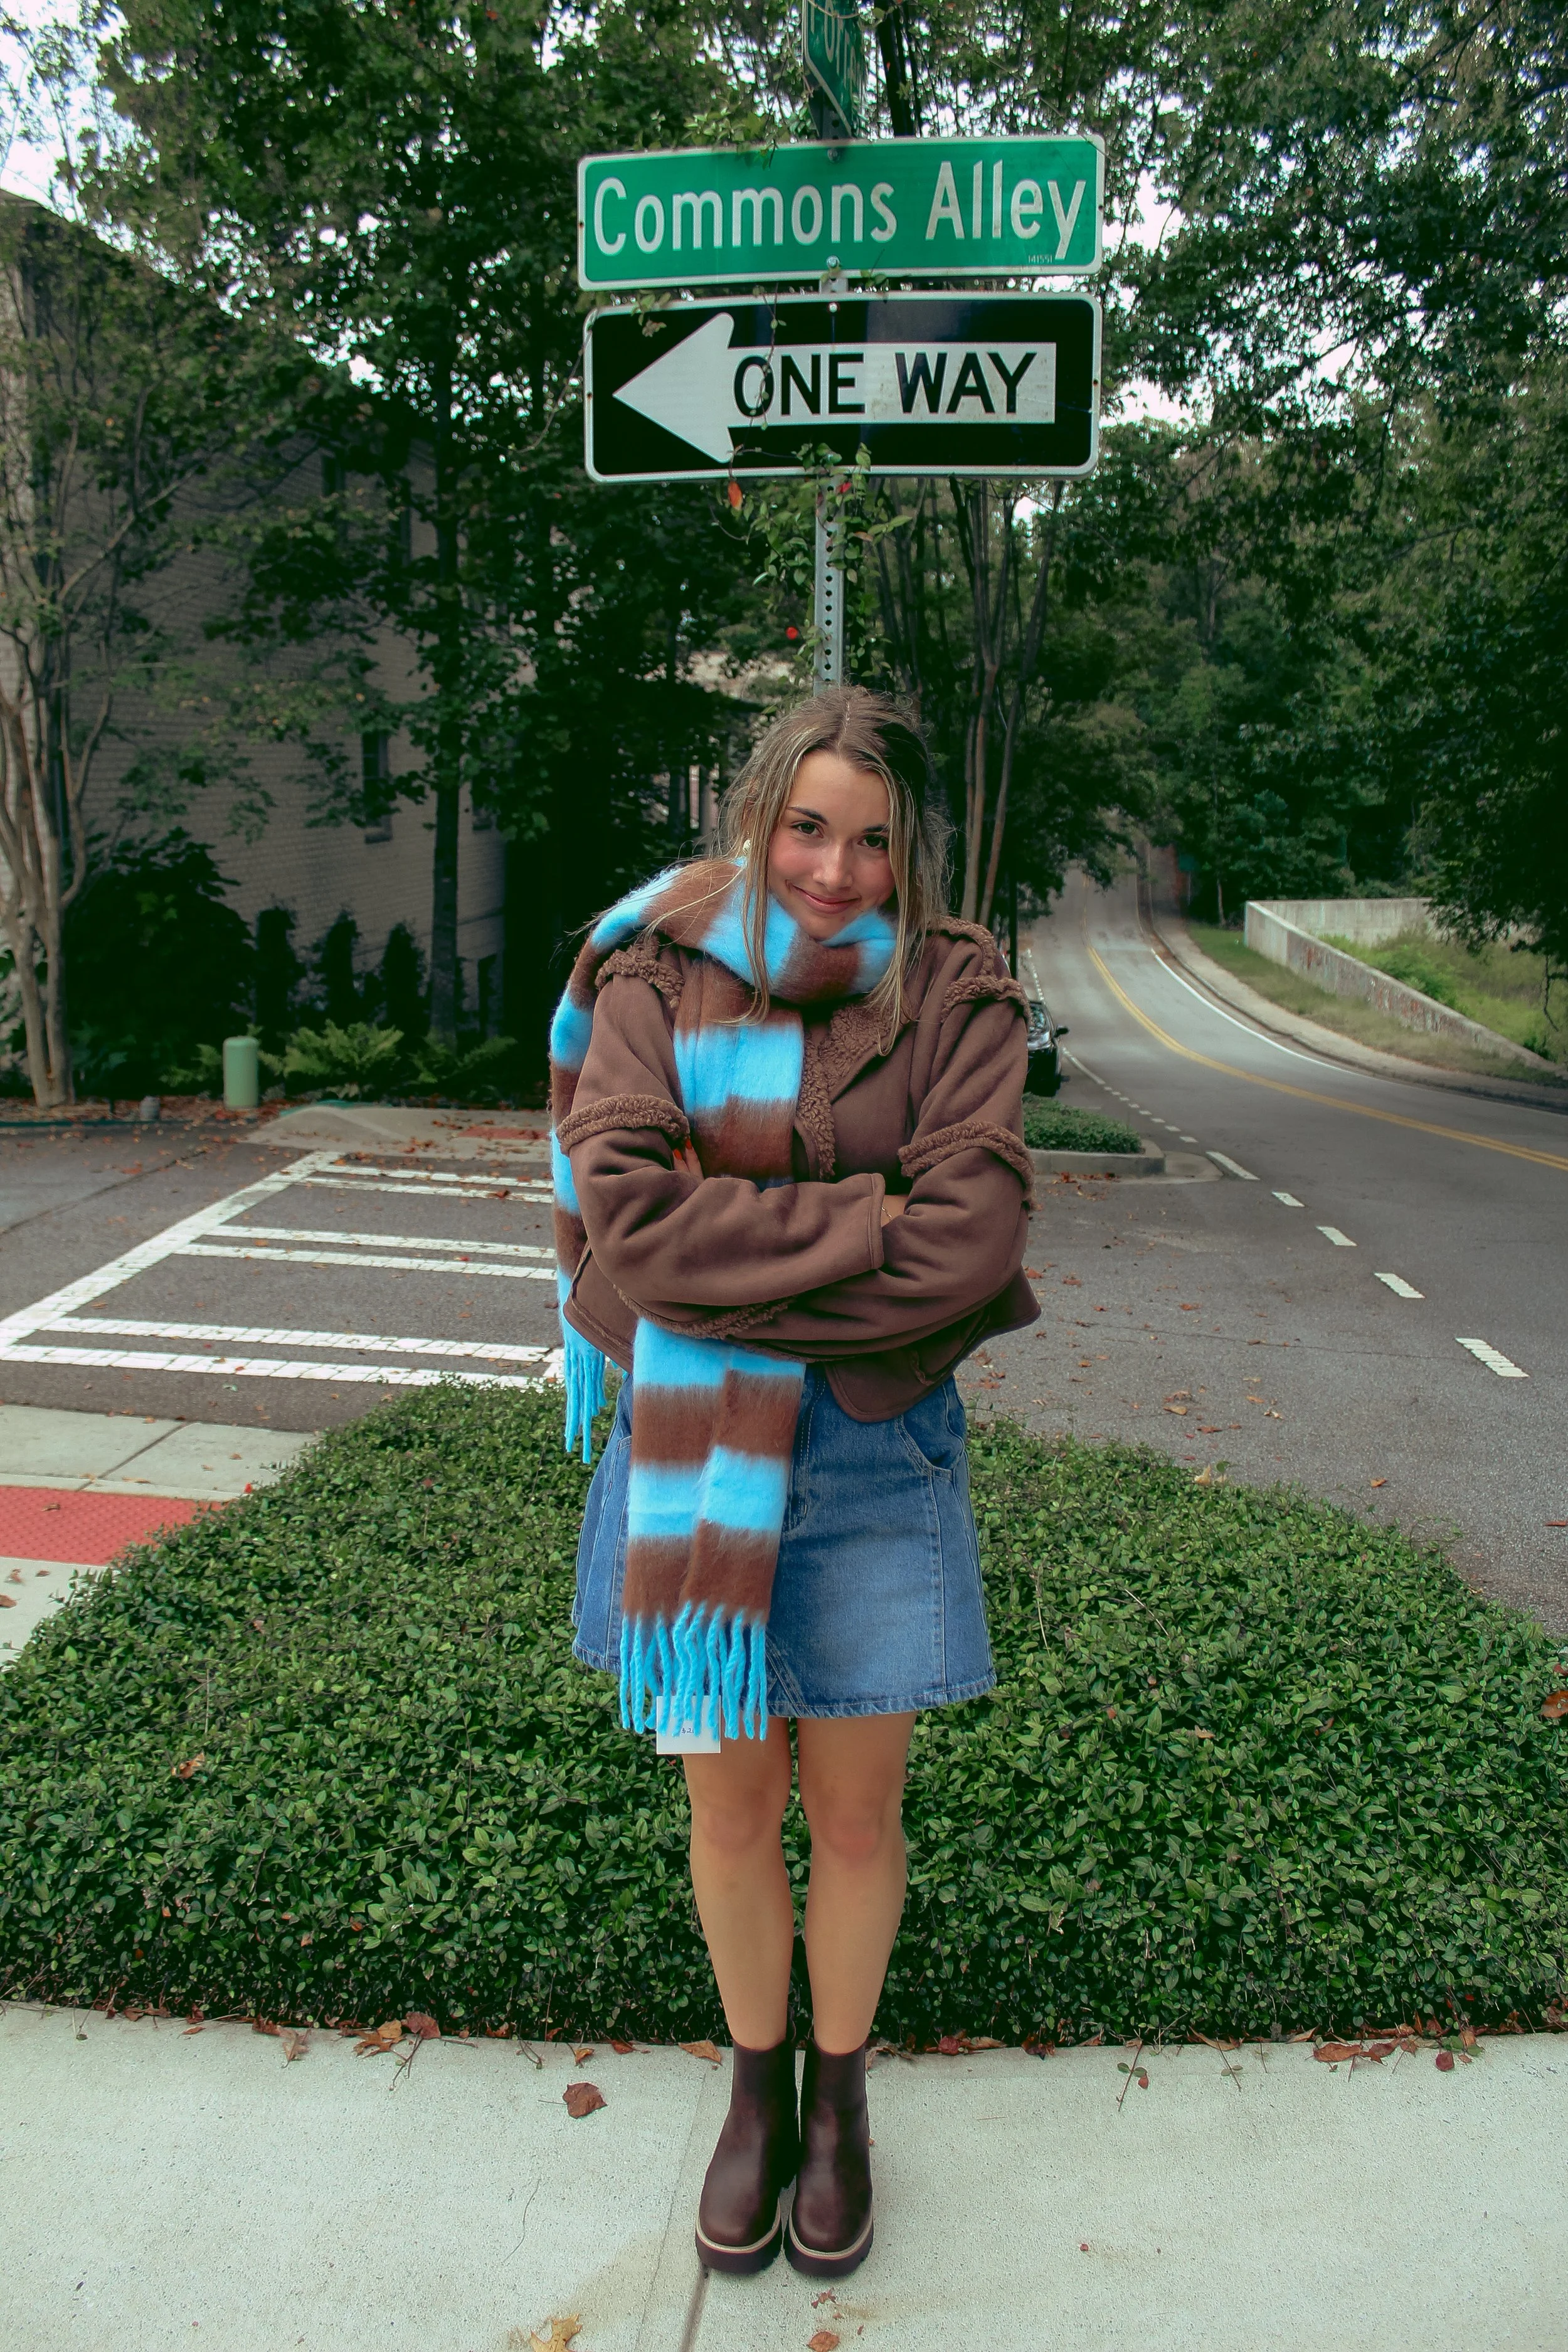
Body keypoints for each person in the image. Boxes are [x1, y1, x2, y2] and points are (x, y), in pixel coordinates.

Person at [549, 685, 1036, 2282]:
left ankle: (840, 2103)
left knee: (857, 1812)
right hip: (695, 1460)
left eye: (873, 839)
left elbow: (971, 1245)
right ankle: (752, 2092)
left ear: (912, 850)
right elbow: (627, 1221)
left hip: (876, 1453)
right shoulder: (654, 969)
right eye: (809, 826)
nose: (836, 869)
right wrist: (859, 1217)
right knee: (731, 1807)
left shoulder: (957, 997)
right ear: (758, 815)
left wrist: (730, 1245)